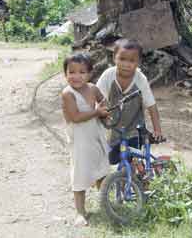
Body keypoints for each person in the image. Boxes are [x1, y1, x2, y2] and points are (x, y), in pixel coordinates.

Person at [61, 53, 110, 227]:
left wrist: (105, 113)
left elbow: (104, 103)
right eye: (71, 72)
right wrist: (97, 112)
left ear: (90, 74)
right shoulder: (68, 94)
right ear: (65, 74)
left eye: (82, 72)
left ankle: (106, 204)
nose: (76, 76)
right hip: (80, 139)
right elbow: (75, 117)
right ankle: (80, 212)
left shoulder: (93, 88)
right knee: (80, 174)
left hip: (95, 136)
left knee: (101, 171)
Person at [96, 38, 163, 165]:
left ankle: (134, 180)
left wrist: (157, 129)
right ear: (114, 58)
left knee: (131, 160)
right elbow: (97, 97)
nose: (126, 64)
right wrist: (99, 112)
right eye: (122, 59)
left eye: (132, 61)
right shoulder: (108, 76)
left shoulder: (140, 79)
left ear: (139, 62)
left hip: (134, 127)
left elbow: (151, 105)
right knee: (110, 159)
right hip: (112, 127)